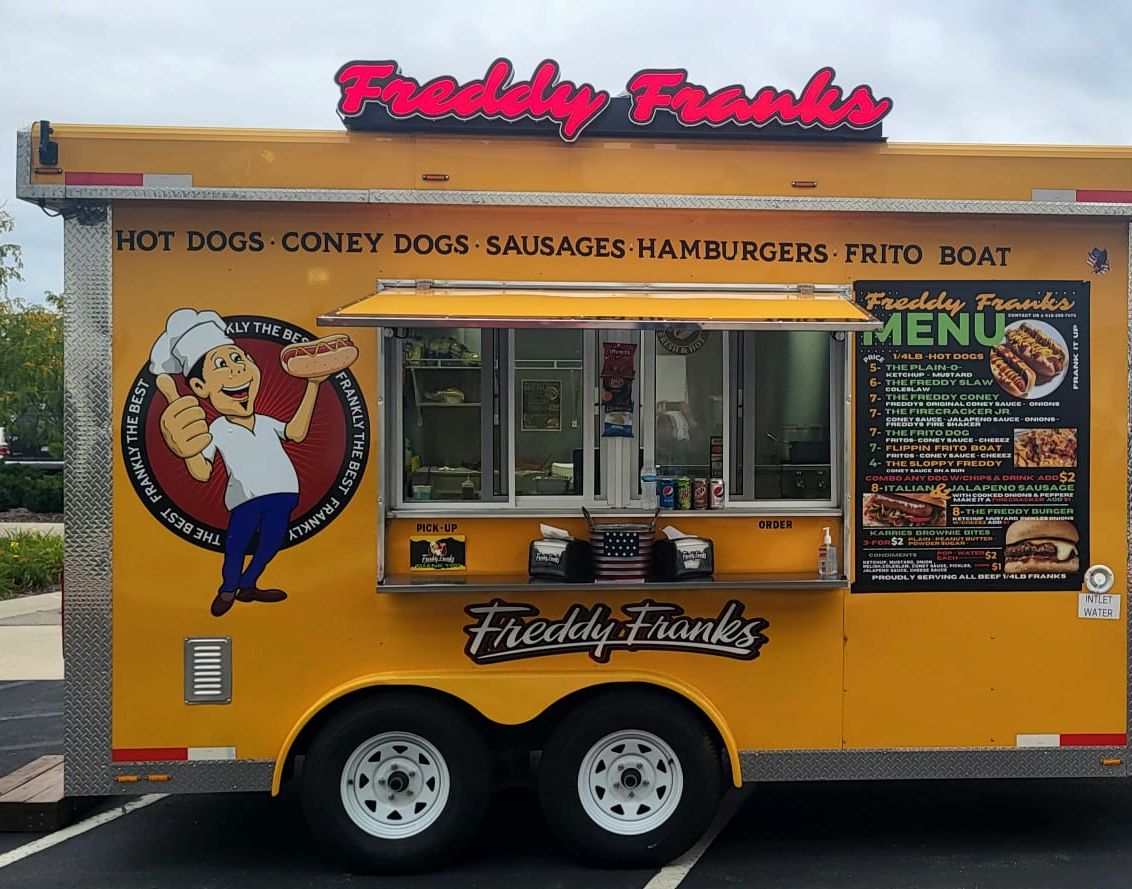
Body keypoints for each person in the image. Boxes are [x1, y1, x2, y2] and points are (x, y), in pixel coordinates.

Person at [149, 308, 334, 617]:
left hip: (284, 493)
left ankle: (247, 585)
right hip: (245, 500)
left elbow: (295, 433)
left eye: (239, 359)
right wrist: (185, 450)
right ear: (200, 388)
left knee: (271, 544)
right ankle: (228, 588)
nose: (237, 370)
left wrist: (313, 385)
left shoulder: (264, 422)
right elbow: (202, 472)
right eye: (221, 365)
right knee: (236, 545)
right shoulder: (217, 429)